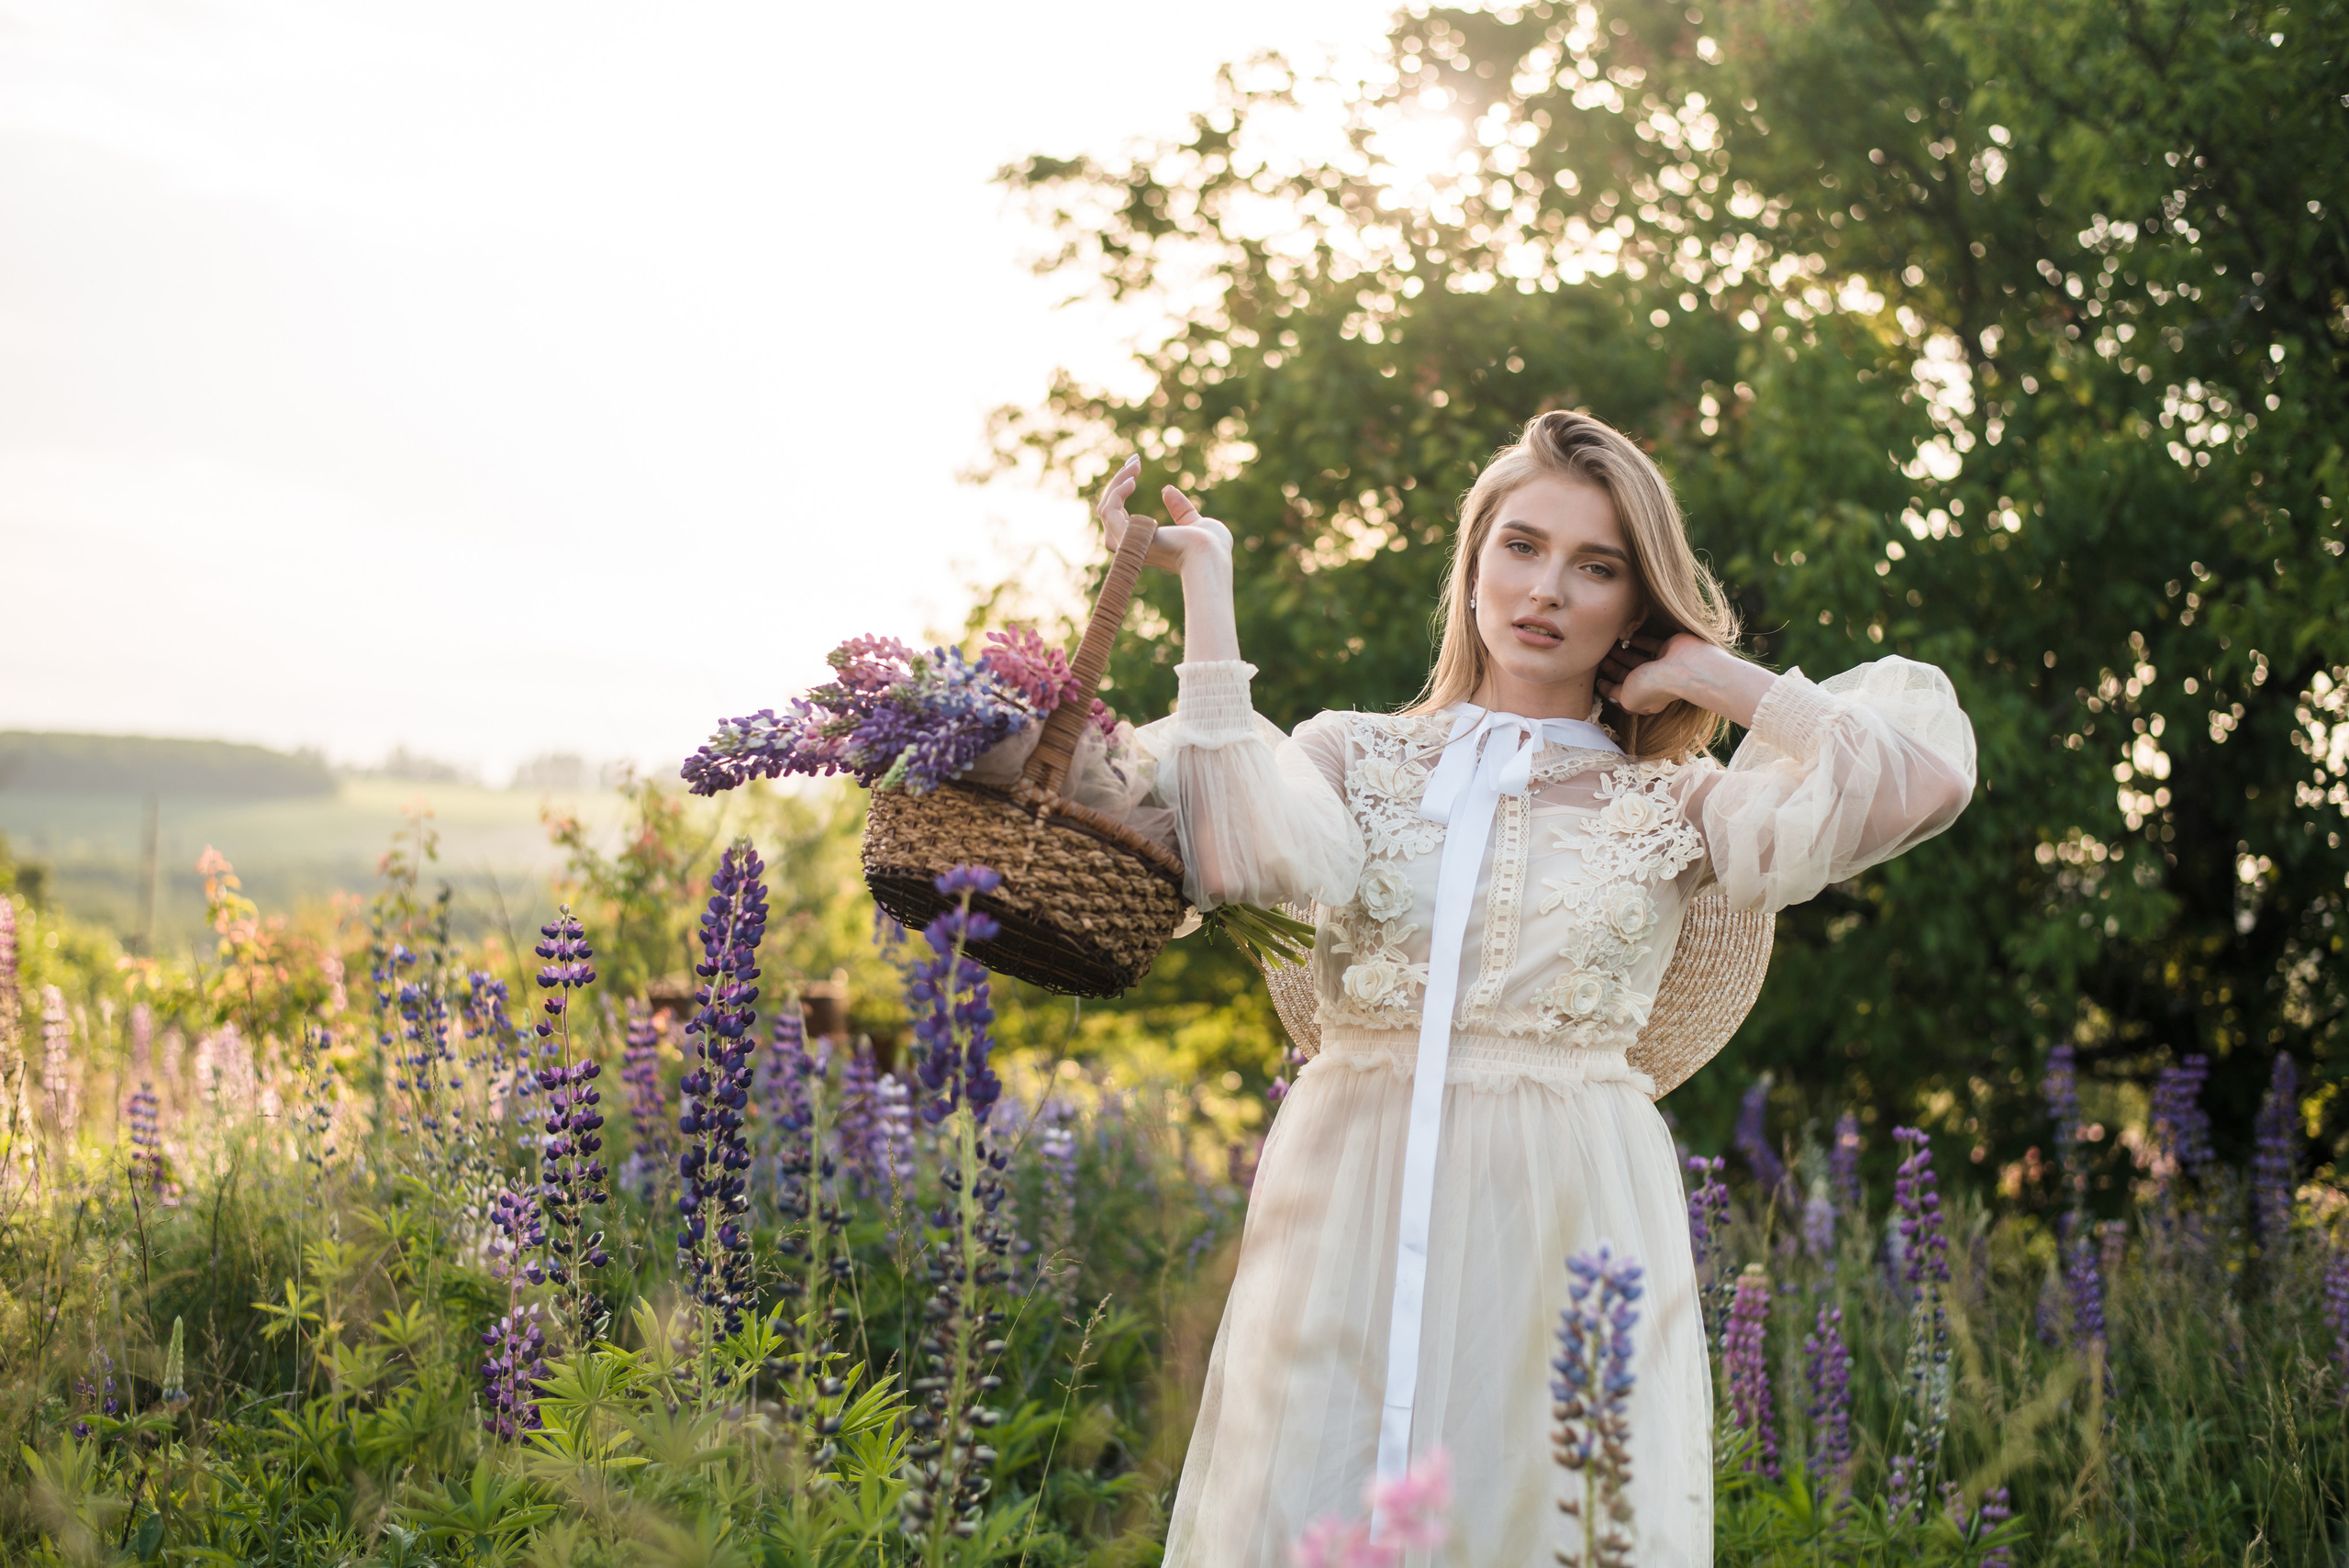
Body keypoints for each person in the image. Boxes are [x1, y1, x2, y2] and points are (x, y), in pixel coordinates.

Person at [1100, 410, 1976, 1565]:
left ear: (1635, 601)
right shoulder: (1348, 751)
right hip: (1349, 1185)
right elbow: (1236, 846)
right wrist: (1204, 583)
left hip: (1569, 1208)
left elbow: (1915, 781)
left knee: (1538, 1514)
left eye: (1596, 566)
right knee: (1315, 1490)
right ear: (1471, 566)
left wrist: (1709, 673)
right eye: (1519, 546)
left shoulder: (1674, 801)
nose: (1545, 589)